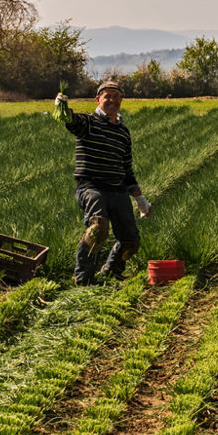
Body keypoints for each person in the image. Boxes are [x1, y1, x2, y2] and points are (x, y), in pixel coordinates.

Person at [54, 80, 152, 285]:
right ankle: (83, 279)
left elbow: (127, 169)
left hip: (118, 190)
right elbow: (73, 122)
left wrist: (139, 198)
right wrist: (63, 108)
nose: (113, 100)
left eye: (117, 97)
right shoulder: (88, 123)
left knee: (131, 241)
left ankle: (111, 272)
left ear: (121, 101)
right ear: (98, 99)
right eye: (108, 96)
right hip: (91, 188)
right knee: (98, 228)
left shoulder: (123, 133)